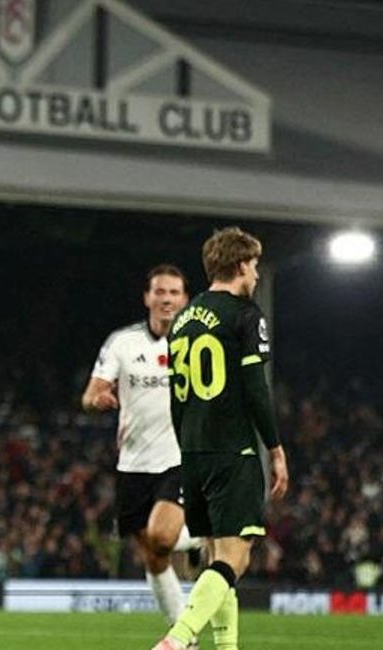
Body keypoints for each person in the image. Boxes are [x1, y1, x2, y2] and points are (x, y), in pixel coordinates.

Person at [152, 228, 289, 650]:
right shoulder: (246, 316)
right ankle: (177, 639)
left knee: (214, 556)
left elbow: (176, 400)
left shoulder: (183, 320)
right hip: (232, 450)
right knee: (236, 556)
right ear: (238, 266)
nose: (256, 277)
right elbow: (256, 390)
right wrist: (276, 450)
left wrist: (187, 447)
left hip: (192, 453)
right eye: (253, 267)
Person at [82, 264, 202, 633]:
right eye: (160, 292)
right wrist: (98, 398)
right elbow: (89, 395)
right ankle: (184, 636)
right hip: (133, 462)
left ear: (184, 299)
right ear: (147, 297)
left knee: (162, 537)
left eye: (174, 293)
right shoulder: (123, 342)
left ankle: (203, 531)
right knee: (152, 554)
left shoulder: (199, 343)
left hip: (179, 458)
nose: (166, 299)